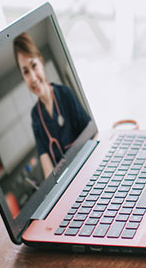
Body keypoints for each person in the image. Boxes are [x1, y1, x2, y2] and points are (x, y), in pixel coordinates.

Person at [14, 32, 91, 177]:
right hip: (64, 180)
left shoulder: (64, 94)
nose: (33, 78)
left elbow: (91, 134)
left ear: (41, 62)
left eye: (34, 66)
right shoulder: (35, 115)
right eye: (25, 72)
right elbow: (46, 162)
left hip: (86, 166)